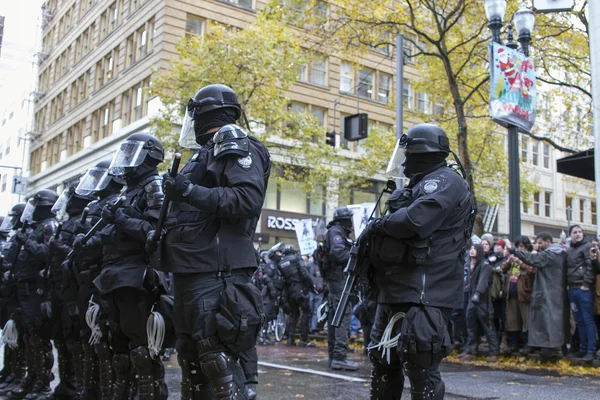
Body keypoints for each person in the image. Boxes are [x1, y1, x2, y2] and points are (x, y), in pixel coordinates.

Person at [149, 84, 271, 400]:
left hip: (218, 274)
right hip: (192, 272)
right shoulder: (203, 154)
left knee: (219, 364)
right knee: (192, 364)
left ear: (203, 114)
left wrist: (188, 192)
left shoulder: (233, 143)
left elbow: (246, 199)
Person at [366, 123, 472, 399]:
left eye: (408, 153)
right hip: (397, 290)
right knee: (382, 363)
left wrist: (380, 224)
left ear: (422, 153)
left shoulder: (445, 181)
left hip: (426, 294)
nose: (404, 162)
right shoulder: (420, 184)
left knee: (421, 370)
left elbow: (416, 220)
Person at [93, 132, 168, 400]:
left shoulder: (153, 187)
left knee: (141, 351)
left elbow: (154, 233)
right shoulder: (129, 191)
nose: (125, 160)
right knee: (120, 351)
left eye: (131, 154)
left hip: (136, 277)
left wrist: (120, 218)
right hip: (115, 276)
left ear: (148, 156)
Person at [71, 159, 125, 399]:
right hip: (86, 279)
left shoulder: (116, 202)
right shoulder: (94, 205)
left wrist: (89, 242)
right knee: (88, 339)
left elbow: (113, 238)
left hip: (105, 277)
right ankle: (89, 390)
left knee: (105, 341)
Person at [46, 185, 95, 399]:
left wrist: (62, 249)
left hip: (76, 289)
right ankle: (66, 385)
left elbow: (84, 254)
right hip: (62, 289)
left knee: (77, 342)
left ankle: (78, 388)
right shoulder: (66, 222)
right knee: (63, 339)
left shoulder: (83, 221)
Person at [8, 189, 59, 400]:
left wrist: (26, 241)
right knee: (30, 338)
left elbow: (46, 254)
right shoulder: (35, 227)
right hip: (25, 290)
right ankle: (32, 377)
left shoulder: (49, 226)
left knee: (39, 339)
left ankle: (43, 382)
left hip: (37, 290)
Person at [506, 232, 568, 361]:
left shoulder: (551, 254)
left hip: (549, 292)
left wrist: (514, 250)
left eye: (540, 243)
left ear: (548, 242)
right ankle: (552, 348)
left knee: (549, 320)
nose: (537, 246)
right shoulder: (558, 253)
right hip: (552, 291)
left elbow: (533, 259)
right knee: (550, 320)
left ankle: (552, 349)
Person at [323, 206, 358, 371]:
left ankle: (335, 356)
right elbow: (338, 254)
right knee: (343, 315)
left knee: (336, 316)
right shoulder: (336, 232)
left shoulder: (337, 231)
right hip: (339, 279)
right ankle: (339, 356)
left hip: (337, 279)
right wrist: (355, 253)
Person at [0, 204, 27, 397]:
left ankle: (20, 377)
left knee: (24, 338)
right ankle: (10, 373)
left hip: (25, 293)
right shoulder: (16, 236)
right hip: (11, 292)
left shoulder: (32, 232)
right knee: (11, 335)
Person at [564, 225, 596, 362]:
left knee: (587, 319)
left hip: (583, 288)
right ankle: (583, 349)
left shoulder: (587, 247)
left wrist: (586, 284)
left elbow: (591, 266)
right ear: (570, 235)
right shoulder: (570, 250)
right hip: (572, 288)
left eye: (579, 232)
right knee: (579, 321)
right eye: (574, 232)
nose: (578, 234)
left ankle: (591, 350)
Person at [461, 244, 499, 362]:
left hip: (483, 301)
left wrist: (477, 293)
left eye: (474, 249)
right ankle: (471, 351)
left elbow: (483, 282)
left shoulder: (485, 265)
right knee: (471, 325)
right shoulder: (470, 265)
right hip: (473, 299)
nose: (472, 251)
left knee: (488, 326)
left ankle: (493, 353)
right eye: (471, 248)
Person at [500, 236, 534, 355]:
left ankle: (529, 344)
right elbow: (501, 270)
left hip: (524, 293)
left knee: (527, 320)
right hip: (511, 293)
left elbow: (531, 270)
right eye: (518, 246)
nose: (519, 249)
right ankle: (514, 343)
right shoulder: (513, 258)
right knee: (512, 320)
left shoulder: (530, 257)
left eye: (521, 247)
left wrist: (520, 262)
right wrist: (509, 261)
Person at [278, 245, 315, 347]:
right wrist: (312, 285)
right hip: (300, 289)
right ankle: (303, 339)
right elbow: (304, 273)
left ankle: (290, 339)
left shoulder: (281, 264)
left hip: (290, 292)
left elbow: (282, 280)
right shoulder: (296, 258)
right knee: (306, 312)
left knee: (293, 314)